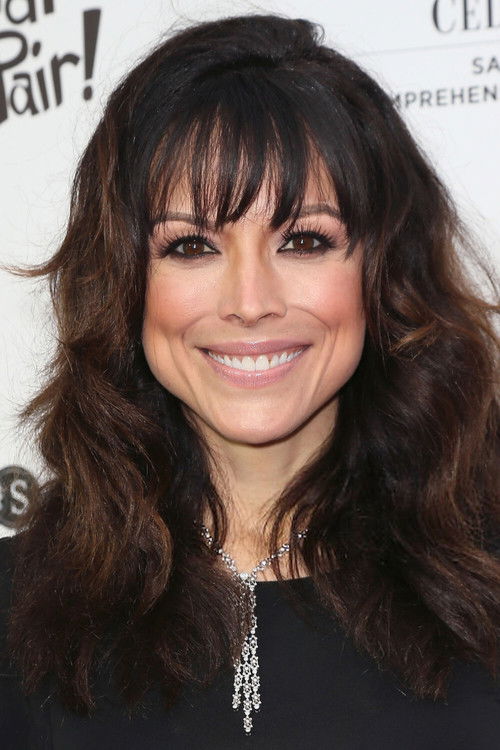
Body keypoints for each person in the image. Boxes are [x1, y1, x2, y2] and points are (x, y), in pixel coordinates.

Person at [1, 13, 499, 750]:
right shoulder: (18, 611)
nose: (251, 300)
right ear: (123, 283)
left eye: (304, 240)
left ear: (384, 272)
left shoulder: (484, 586)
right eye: (191, 246)